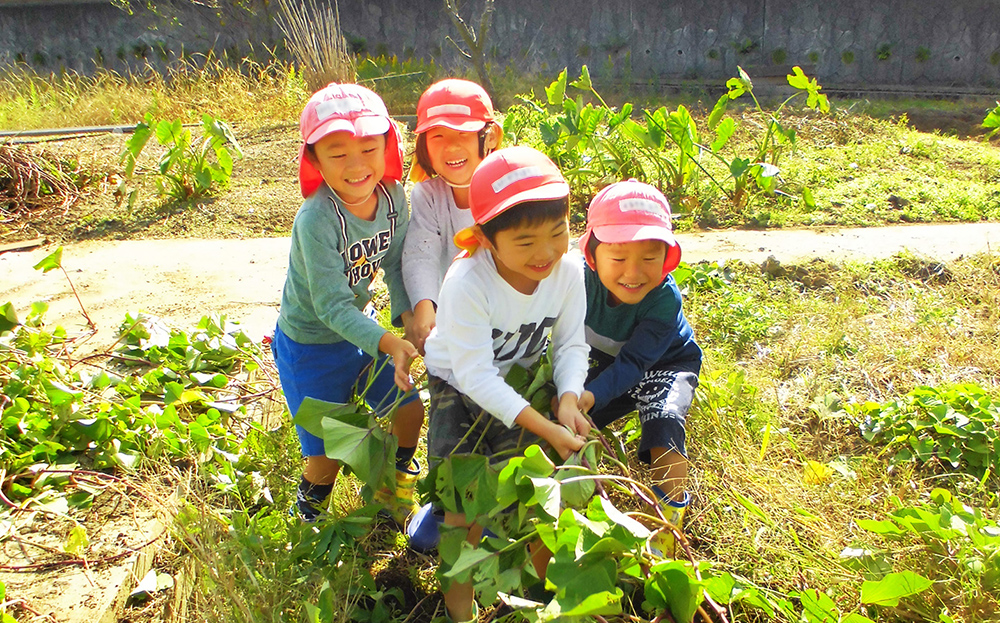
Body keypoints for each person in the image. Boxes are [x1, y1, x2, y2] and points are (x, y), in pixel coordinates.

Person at [420, 146, 591, 623]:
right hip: (457, 380)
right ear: (486, 240)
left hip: (518, 376)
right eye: (525, 242)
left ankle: (546, 602)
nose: (545, 253)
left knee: (537, 495)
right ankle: (460, 609)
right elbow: (475, 376)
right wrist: (547, 427)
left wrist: (570, 399)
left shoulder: (570, 270)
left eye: (557, 233)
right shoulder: (467, 282)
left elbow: (571, 346)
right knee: (462, 505)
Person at [271, 82, 424, 525]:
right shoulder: (316, 220)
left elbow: (395, 263)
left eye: (369, 149)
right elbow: (331, 308)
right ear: (314, 159)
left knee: (409, 411)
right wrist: (391, 344)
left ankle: (390, 490)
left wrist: (409, 318)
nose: (357, 166)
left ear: (388, 146)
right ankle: (310, 524)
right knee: (328, 457)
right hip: (311, 346)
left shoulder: (394, 198)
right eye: (337, 153)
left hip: (363, 332)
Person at [577, 180, 702, 557]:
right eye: (618, 258)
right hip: (606, 359)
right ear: (592, 255)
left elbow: (635, 363)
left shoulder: (664, 301)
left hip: (663, 362)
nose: (633, 272)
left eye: (649, 258)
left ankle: (668, 525)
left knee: (662, 422)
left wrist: (590, 393)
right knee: (576, 420)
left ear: (666, 257)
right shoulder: (573, 280)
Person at [402, 78, 502, 354]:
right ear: (423, 145)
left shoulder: (508, 191)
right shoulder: (428, 195)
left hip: (508, 319)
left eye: (464, 134)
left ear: (490, 136)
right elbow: (421, 254)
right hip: (454, 321)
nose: (452, 146)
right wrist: (424, 308)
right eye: (438, 136)